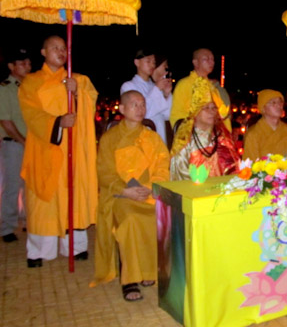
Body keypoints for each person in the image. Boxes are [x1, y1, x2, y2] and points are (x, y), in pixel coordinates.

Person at [18, 35, 98, 267]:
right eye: (54, 48)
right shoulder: (31, 82)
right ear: (43, 52)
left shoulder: (79, 79)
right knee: (44, 200)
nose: (61, 51)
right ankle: (39, 251)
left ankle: (76, 246)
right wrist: (58, 123)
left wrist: (78, 93)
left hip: (74, 149)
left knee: (74, 195)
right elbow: (31, 114)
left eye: (64, 48)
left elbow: (91, 102)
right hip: (46, 147)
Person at [92, 90, 170, 302]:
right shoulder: (110, 139)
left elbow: (163, 164)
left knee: (161, 218)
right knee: (131, 220)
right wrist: (124, 190)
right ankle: (130, 278)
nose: (140, 109)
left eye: (142, 104)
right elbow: (104, 172)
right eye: (134, 104)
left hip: (148, 194)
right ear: (122, 109)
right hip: (120, 196)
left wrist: (151, 187)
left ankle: (149, 270)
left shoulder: (152, 137)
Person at [170, 76, 239, 180]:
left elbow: (234, 167)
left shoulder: (222, 135)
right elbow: (180, 175)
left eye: (214, 108)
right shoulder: (185, 139)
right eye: (206, 108)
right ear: (196, 112)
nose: (211, 112)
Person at [0, 48, 31, 242]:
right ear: (11, 66)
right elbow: (6, 122)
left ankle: (29, 220)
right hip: (14, 144)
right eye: (22, 63)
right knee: (12, 185)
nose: (27, 67)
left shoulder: (31, 88)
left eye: (28, 63)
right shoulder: (5, 89)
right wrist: (23, 141)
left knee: (30, 186)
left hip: (31, 144)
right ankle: (7, 228)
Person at [169, 48, 231, 133]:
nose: (211, 62)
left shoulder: (212, 87)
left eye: (212, 59)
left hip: (215, 136)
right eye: (206, 59)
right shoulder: (184, 84)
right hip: (194, 136)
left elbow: (222, 115)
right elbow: (177, 116)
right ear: (195, 62)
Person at [120, 48, 172, 145]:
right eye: (148, 61)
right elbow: (142, 113)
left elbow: (167, 115)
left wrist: (166, 94)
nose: (152, 65)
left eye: (154, 62)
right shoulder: (129, 86)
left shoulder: (154, 86)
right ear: (137, 62)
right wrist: (157, 89)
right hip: (141, 139)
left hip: (159, 135)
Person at [243, 89, 287, 161]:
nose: (279, 105)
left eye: (280, 102)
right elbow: (250, 164)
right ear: (263, 108)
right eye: (273, 102)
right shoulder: (253, 134)